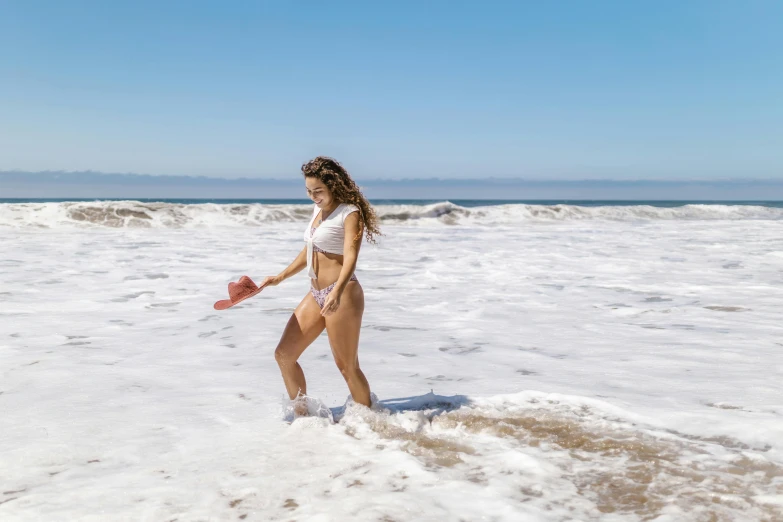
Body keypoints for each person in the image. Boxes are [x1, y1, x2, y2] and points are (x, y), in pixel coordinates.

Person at [260, 157, 381, 414]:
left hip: (343, 293)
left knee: (347, 366)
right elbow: (310, 249)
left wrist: (336, 292)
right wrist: (280, 277)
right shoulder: (319, 210)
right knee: (284, 354)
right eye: (309, 191)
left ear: (333, 186)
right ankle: (304, 418)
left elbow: (351, 256)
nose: (313, 196)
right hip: (316, 293)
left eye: (318, 191)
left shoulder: (350, 213)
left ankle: (370, 423)